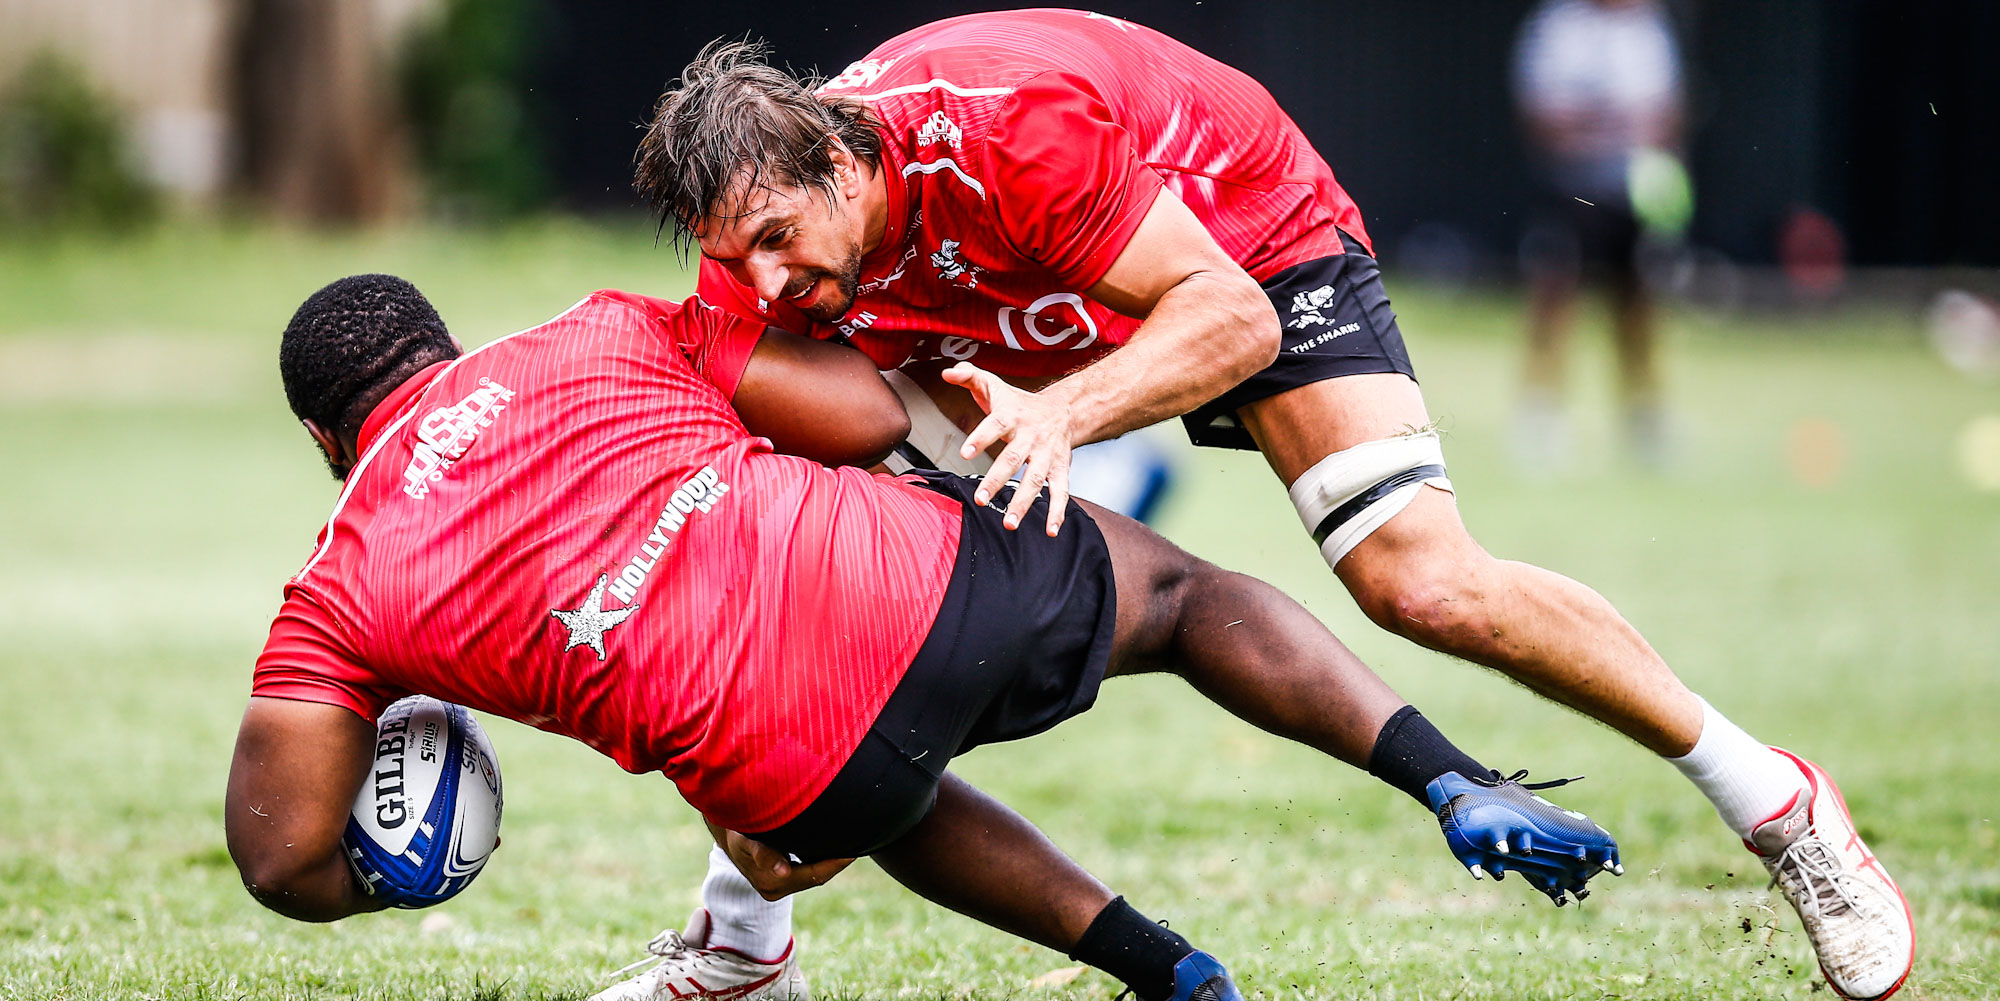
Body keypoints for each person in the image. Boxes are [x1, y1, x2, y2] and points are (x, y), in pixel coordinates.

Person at [628, 12, 1914, 1001]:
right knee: (786, 560)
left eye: (780, 238)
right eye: (736, 256)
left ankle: (1777, 802)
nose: (765, 280)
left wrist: (1063, 414)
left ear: (841, 161)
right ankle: (742, 941)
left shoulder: (1005, 129)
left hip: (1235, 247)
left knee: (1418, 580)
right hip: (1006, 314)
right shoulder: (771, 255)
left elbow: (1228, 317)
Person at [228, 275, 1620, 1001]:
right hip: (932, 579)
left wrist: (404, 868)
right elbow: (863, 420)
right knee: (1183, 598)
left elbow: (279, 853)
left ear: (319, 439)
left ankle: (1168, 972)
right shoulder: (593, 331)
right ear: (444, 344)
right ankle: (1447, 776)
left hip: (802, 789)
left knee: (864, 780)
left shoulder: (340, 587)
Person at [1511, 0, 1690, 470]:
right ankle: (1540, 416)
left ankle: (1645, 419)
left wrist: (1621, 130)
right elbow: (1545, 115)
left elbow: (1665, 112)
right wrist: (1613, 125)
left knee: (1638, 305)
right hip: (1570, 187)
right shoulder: (1558, 26)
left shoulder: (1648, 26)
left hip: (1635, 192)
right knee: (1555, 297)